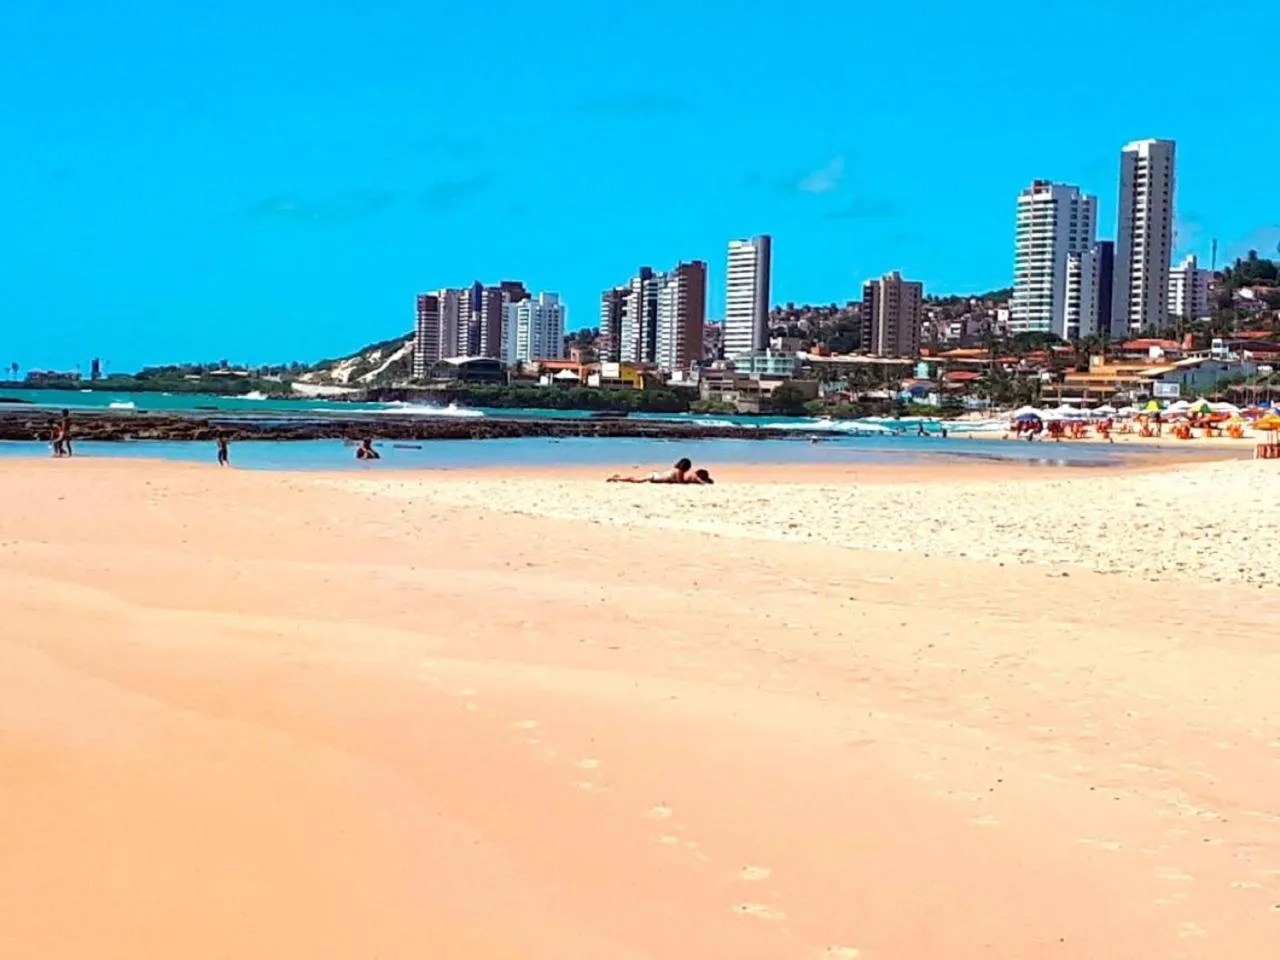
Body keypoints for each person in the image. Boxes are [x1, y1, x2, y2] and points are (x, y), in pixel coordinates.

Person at [607, 457, 692, 483]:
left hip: (656, 475)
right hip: (655, 477)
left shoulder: (675, 469)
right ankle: (616, 478)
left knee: (635, 479)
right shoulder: (679, 471)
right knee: (635, 480)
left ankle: (618, 477)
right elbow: (680, 482)